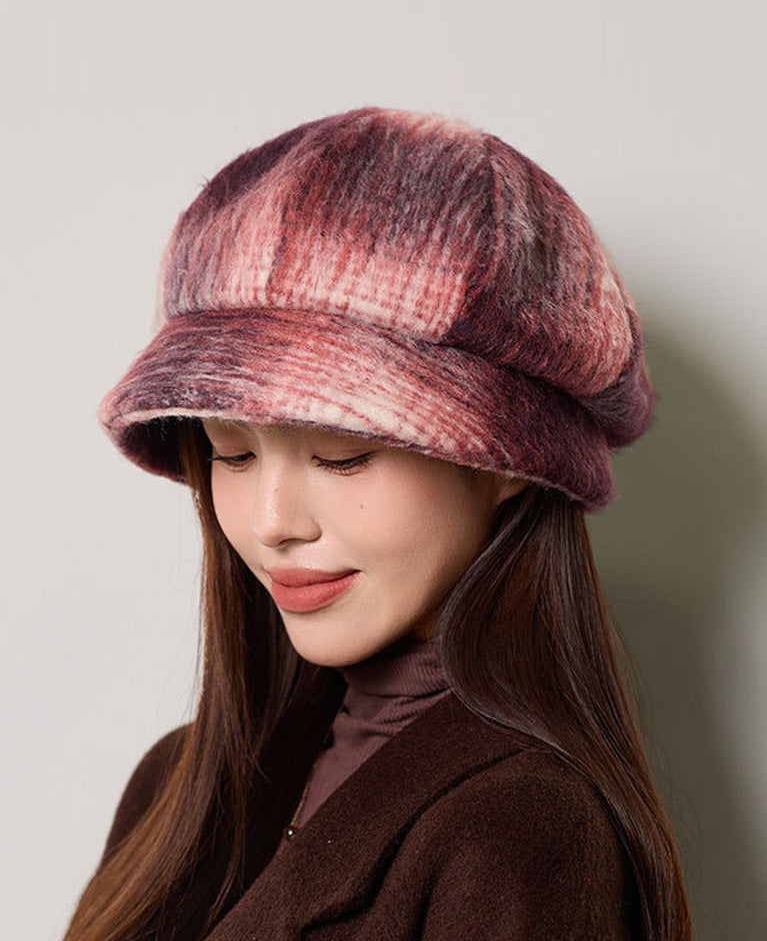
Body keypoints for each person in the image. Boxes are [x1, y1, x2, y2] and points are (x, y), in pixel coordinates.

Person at [63, 106, 693, 941]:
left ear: (509, 463)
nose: (272, 524)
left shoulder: (521, 833)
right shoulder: (176, 787)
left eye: (342, 455)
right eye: (231, 453)